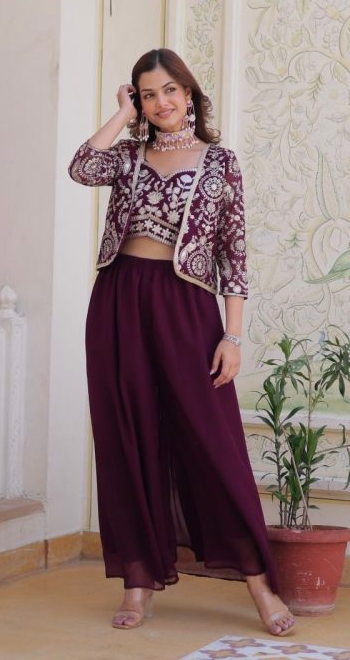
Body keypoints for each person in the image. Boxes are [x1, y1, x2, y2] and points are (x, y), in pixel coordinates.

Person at [68, 48, 295, 635]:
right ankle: (139, 582)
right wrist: (122, 114)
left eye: (169, 90)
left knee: (213, 440)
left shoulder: (221, 162)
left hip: (187, 304)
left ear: (189, 93)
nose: (161, 102)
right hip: (119, 299)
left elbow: (233, 255)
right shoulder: (127, 156)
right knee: (127, 435)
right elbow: (80, 168)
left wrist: (232, 335)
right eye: (147, 94)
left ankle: (261, 586)